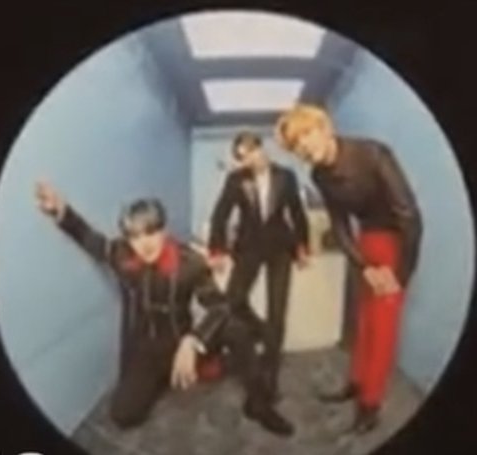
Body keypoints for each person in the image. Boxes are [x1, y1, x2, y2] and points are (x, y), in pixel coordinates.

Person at [34, 181, 294, 436]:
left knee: (236, 328)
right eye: (135, 236)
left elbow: (219, 306)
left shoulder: (189, 262)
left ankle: (259, 402)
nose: (144, 243)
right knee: (124, 415)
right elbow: (92, 240)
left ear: (163, 231)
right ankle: (173, 375)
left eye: (151, 232)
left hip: (182, 341)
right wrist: (61, 210)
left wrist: (193, 340)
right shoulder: (123, 255)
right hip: (146, 350)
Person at [275, 104, 423, 434]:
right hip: (366, 241)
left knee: (383, 328)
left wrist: (400, 276)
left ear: (325, 128)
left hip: (396, 242)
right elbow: (340, 225)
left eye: (306, 134)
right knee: (364, 320)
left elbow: (410, 217)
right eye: (296, 146)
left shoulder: (373, 154)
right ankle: (356, 383)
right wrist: (363, 264)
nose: (304, 147)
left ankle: (370, 406)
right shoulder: (318, 175)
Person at [207, 131, 310, 403]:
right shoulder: (235, 180)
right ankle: (264, 332)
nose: (250, 159)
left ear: (262, 148)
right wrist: (217, 250)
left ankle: (270, 377)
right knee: (233, 300)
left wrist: (302, 246)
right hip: (249, 247)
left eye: (252, 151)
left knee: (278, 309)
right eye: (243, 157)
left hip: (280, 247)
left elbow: (297, 212)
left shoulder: (286, 176)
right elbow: (220, 214)